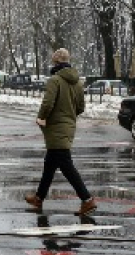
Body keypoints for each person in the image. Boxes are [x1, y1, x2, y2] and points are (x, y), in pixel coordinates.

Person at [28, 48, 98, 214]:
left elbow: (48, 103)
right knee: (50, 164)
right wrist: (69, 116)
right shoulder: (78, 82)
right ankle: (39, 198)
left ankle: (87, 199)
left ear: (56, 63)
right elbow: (81, 107)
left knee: (66, 165)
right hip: (68, 126)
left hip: (55, 127)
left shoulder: (55, 80)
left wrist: (41, 118)